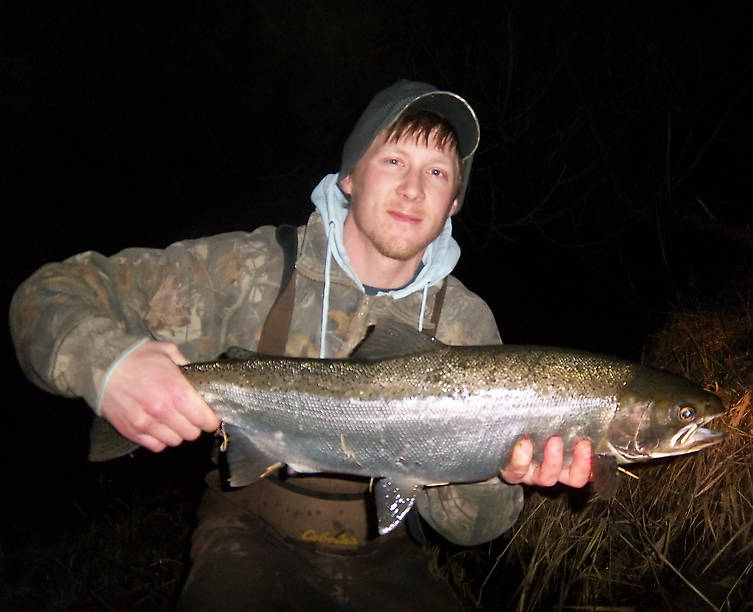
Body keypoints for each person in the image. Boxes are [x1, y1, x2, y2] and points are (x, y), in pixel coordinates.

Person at [10, 79, 592, 610]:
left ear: (455, 204)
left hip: (385, 559)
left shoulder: (465, 322)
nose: (414, 189)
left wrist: (501, 470)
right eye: (392, 159)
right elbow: (48, 293)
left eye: (438, 173)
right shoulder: (250, 270)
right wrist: (110, 366)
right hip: (248, 530)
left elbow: (468, 530)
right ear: (349, 177)